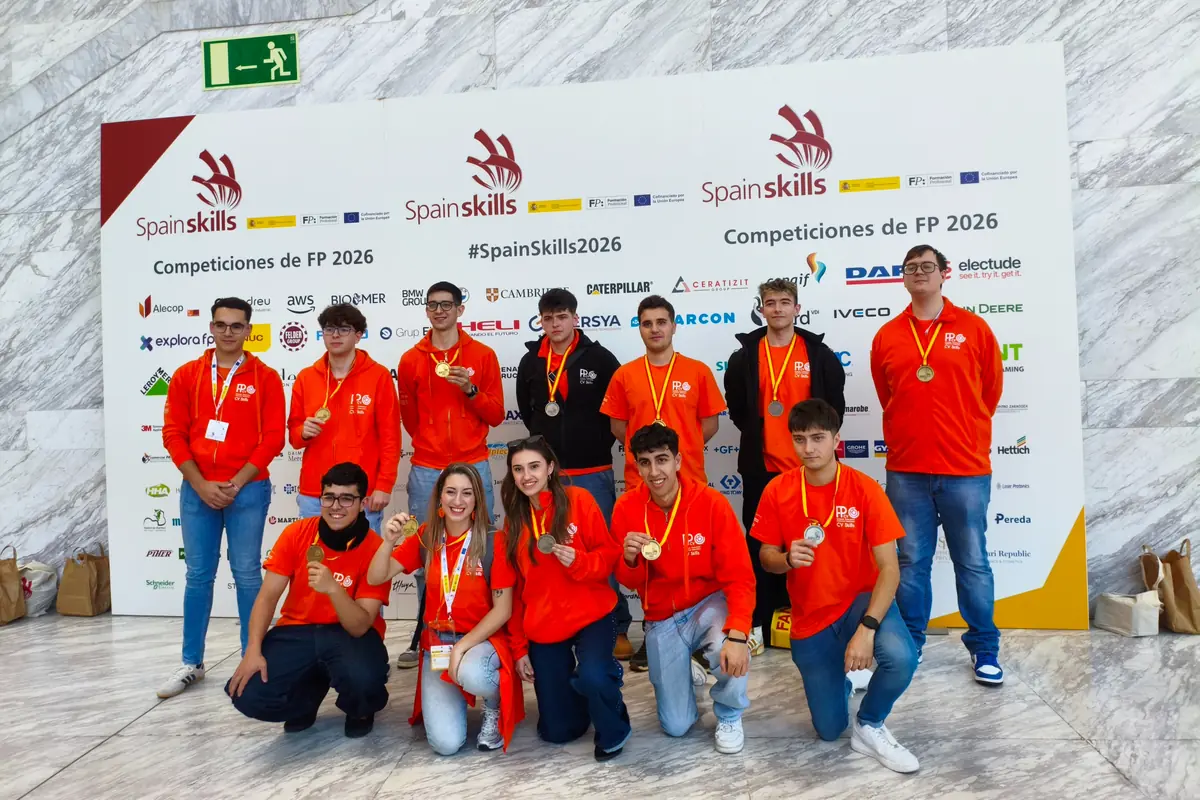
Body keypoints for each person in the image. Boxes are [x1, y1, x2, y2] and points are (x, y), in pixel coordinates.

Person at [751, 399, 919, 773]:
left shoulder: (864, 489)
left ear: (836, 439)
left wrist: (868, 629)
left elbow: (890, 569)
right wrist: (786, 559)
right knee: (828, 730)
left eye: (817, 438)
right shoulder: (778, 490)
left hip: (860, 602)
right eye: (799, 439)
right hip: (811, 619)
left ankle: (870, 722)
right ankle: (843, 686)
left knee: (902, 658)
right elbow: (765, 557)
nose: (808, 449)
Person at [870, 244, 1005, 686]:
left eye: (928, 267)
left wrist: (961, 432)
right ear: (903, 278)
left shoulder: (974, 329)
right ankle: (911, 644)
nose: (920, 274)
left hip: (965, 468)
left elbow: (989, 393)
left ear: (944, 274)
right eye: (912, 268)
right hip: (907, 470)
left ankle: (985, 648)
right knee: (910, 563)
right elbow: (888, 398)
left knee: (973, 563)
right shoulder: (888, 335)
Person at [158, 297, 285, 699]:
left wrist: (235, 481)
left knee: (247, 573)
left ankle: (253, 656)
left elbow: (273, 438)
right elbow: (173, 434)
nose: (228, 331)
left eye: (236, 325)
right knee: (198, 575)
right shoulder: (187, 375)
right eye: (221, 324)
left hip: (246, 489)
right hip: (198, 490)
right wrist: (199, 483)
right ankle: (191, 663)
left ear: (249, 330)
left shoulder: (264, 377)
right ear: (211, 328)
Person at [601, 294, 725, 670]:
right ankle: (655, 628)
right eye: (647, 323)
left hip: (690, 486)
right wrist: (652, 464)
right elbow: (619, 427)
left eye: (661, 322)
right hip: (643, 489)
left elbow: (710, 425)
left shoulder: (698, 371)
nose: (655, 329)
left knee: (695, 557)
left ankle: (702, 635)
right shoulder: (625, 375)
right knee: (647, 562)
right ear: (639, 328)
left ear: (673, 325)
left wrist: (679, 455)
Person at [613, 424, 755, 754]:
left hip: (709, 604)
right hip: (662, 616)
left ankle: (730, 714)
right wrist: (630, 559)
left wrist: (738, 635)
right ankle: (688, 664)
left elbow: (741, 577)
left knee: (729, 647)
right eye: (645, 462)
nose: (654, 471)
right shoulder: (626, 508)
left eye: (662, 460)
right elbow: (627, 581)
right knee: (676, 726)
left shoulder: (711, 503)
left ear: (678, 460)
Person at [365, 463, 524, 755]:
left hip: (481, 642)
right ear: (439, 497)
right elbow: (376, 576)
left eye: (466, 493)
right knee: (446, 744)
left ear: (477, 499)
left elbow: (502, 610)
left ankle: (494, 705)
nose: (458, 501)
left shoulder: (493, 541)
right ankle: (458, 690)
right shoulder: (426, 536)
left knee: (474, 673)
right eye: (450, 492)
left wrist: (462, 647)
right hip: (438, 646)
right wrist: (388, 541)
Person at [225, 462, 391, 738]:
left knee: (365, 681)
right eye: (329, 497)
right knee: (248, 694)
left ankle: (359, 708)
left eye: (347, 498)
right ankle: (305, 697)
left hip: (347, 634)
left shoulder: (375, 548)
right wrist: (252, 650)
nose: (336, 506)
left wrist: (334, 589)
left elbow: (360, 626)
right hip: (297, 631)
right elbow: (267, 598)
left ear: (362, 503)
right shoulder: (297, 533)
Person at [725, 278, 845, 656]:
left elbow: (833, 408)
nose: (777, 309)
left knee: (817, 543)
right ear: (761, 308)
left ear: (797, 307)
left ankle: (817, 618)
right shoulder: (745, 356)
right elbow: (739, 408)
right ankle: (760, 621)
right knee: (763, 546)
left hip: (811, 470)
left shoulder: (818, 353)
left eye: (784, 302)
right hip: (762, 468)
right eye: (770, 302)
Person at [494, 436, 631, 761]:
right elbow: (512, 596)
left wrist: (581, 562)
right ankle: (582, 691)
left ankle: (609, 712)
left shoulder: (578, 500)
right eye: (518, 469)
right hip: (546, 624)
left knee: (595, 675)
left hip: (592, 613)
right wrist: (518, 649)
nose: (527, 476)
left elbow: (609, 554)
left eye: (534, 467)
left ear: (551, 468)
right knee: (557, 732)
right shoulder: (512, 524)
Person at [516, 288, 633, 660]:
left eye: (561, 316)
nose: (555, 324)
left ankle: (616, 626)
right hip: (547, 477)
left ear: (575, 317)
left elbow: (617, 412)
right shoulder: (531, 362)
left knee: (601, 551)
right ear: (541, 321)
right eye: (548, 318)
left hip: (593, 470)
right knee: (550, 554)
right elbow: (527, 411)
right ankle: (562, 620)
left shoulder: (600, 358)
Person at [395, 281, 504, 669]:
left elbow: (496, 414)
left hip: (473, 461)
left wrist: (470, 389)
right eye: (432, 305)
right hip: (427, 466)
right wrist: (430, 444)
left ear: (460, 309)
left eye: (447, 304)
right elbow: (409, 418)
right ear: (426, 311)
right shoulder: (410, 359)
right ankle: (426, 632)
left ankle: (487, 629)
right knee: (427, 551)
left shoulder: (483, 355)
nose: (439, 311)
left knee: (482, 548)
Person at [289, 303, 400, 533]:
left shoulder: (378, 376)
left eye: (344, 329)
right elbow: (294, 438)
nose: (335, 335)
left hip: (362, 492)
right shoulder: (306, 378)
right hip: (315, 493)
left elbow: (390, 437)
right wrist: (302, 431)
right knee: (314, 563)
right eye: (329, 329)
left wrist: (384, 485)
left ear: (358, 335)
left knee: (365, 566)